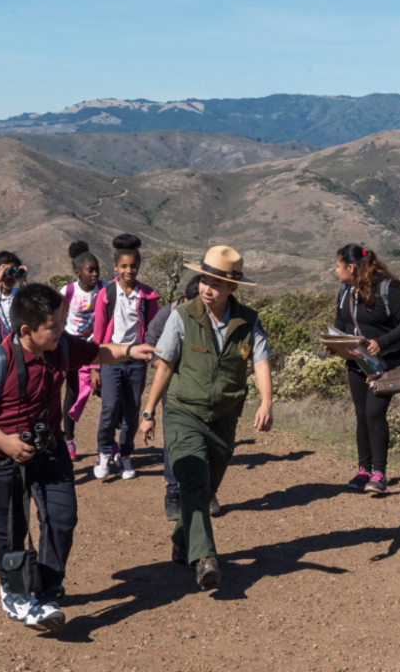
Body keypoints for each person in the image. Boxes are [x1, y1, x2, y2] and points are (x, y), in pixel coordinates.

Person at [0, 283, 157, 633]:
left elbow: (97, 352)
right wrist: (4, 441)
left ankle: (47, 593)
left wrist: (130, 350)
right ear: (26, 331)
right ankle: (14, 591)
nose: (61, 330)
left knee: (62, 519)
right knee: (12, 528)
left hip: (49, 449)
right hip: (0, 458)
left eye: (62, 322)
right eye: (53, 325)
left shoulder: (60, 346)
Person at [138, 247, 273, 590]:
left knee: (207, 485)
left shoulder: (248, 321)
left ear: (232, 288)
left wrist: (266, 402)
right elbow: (165, 365)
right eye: (204, 281)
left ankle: (182, 539)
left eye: (216, 284)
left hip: (224, 416)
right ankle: (205, 559)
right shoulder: (182, 315)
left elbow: (260, 361)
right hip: (184, 410)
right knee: (194, 479)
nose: (207, 289)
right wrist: (149, 412)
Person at [332, 244, 400, 495]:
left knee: (374, 413)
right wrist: (334, 344)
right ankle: (364, 471)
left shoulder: (387, 289)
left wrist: (382, 342)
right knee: (362, 415)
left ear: (351, 267)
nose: (335, 271)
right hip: (357, 362)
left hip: (386, 363)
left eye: (337, 266)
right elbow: (341, 323)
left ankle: (379, 473)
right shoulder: (345, 291)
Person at [90, 235, 160, 481]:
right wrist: (94, 366)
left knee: (132, 411)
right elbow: (98, 331)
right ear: (115, 267)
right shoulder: (106, 295)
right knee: (109, 408)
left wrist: (153, 356)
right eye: (124, 266)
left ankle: (125, 454)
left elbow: (153, 329)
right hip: (110, 359)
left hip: (136, 362)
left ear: (139, 266)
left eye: (133, 266)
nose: (129, 270)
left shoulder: (148, 296)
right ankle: (103, 452)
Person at [143, 274, 206, 521]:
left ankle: (206, 489)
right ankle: (173, 492)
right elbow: (150, 345)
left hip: (201, 388)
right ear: (184, 298)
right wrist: (166, 365)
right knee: (174, 438)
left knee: (205, 438)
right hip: (172, 386)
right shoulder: (167, 315)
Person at [59, 242, 105, 461]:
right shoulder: (68, 291)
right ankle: (69, 440)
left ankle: (109, 443)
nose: (95, 274)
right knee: (72, 393)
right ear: (78, 273)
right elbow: (59, 319)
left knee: (105, 393)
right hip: (72, 350)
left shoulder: (104, 289)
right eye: (90, 270)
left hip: (96, 348)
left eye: (97, 270)